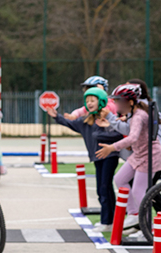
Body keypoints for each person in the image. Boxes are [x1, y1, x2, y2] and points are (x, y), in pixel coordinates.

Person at [48, 87, 123, 230]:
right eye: (87, 100)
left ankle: (107, 221)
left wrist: (106, 130)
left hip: (109, 156)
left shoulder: (108, 117)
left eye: (92, 100)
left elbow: (118, 133)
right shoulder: (86, 121)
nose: (89, 103)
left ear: (100, 101)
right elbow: (69, 123)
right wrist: (56, 116)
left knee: (104, 188)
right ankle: (109, 220)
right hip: (97, 158)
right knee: (102, 189)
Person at [95, 84, 161, 231]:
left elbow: (132, 137)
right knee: (119, 179)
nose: (116, 103)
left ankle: (148, 228)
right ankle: (133, 213)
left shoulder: (139, 116)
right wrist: (111, 118)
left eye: (119, 100)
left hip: (149, 157)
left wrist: (112, 147)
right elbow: (127, 129)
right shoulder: (134, 114)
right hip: (139, 155)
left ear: (130, 102)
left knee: (138, 192)